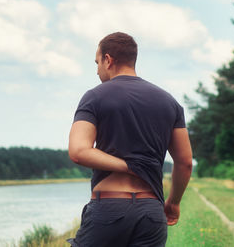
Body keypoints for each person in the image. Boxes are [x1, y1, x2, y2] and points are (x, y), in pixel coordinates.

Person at [67, 32, 192, 247]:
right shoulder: (169, 101)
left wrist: (128, 166)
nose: (96, 70)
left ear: (108, 60)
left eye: (97, 63)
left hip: (109, 207)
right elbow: (185, 162)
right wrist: (174, 202)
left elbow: (79, 151)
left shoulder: (95, 96)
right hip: (151, 211)